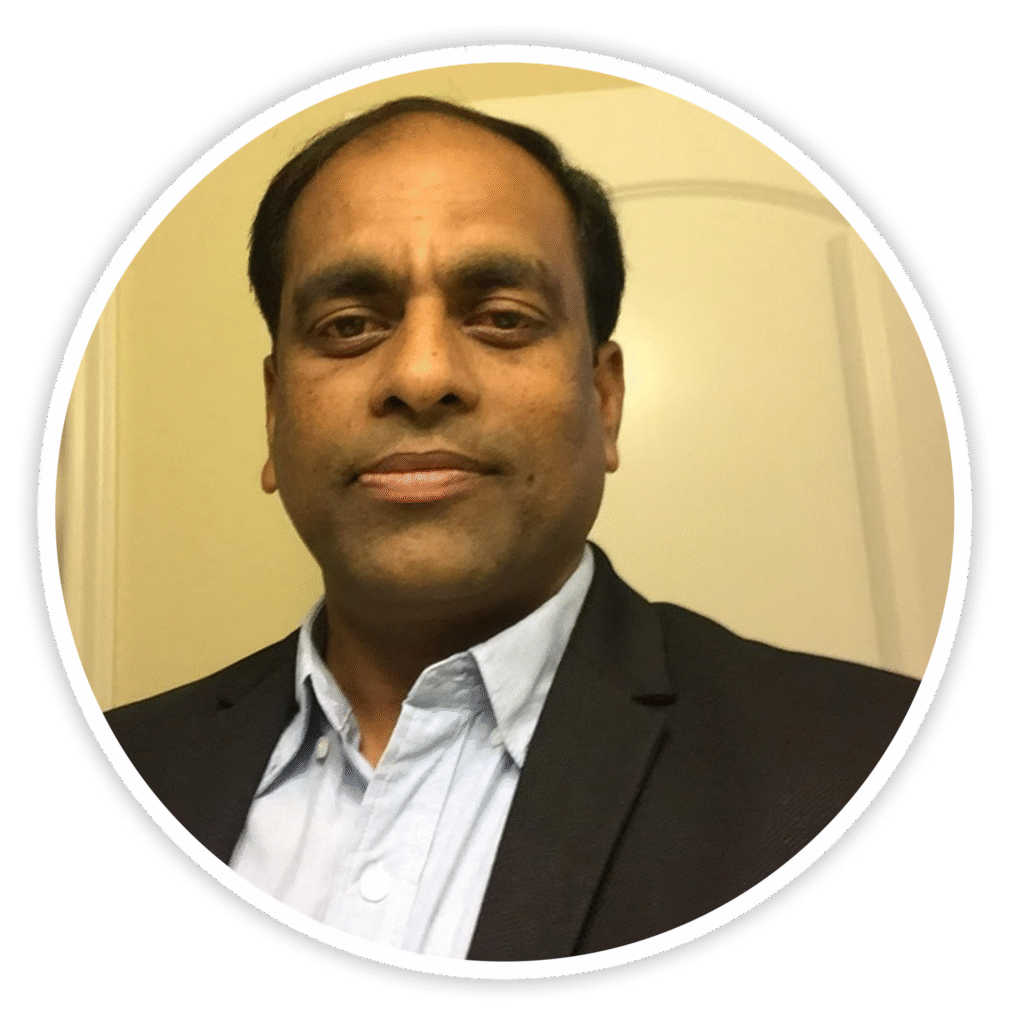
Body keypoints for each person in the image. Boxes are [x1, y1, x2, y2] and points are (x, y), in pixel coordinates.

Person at [107, 97, 918, 961]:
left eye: (502, 318)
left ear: (604, 400)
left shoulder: (870, 764)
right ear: (274, 414)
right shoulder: (120, 763)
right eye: (348, 327)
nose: (422, 375)